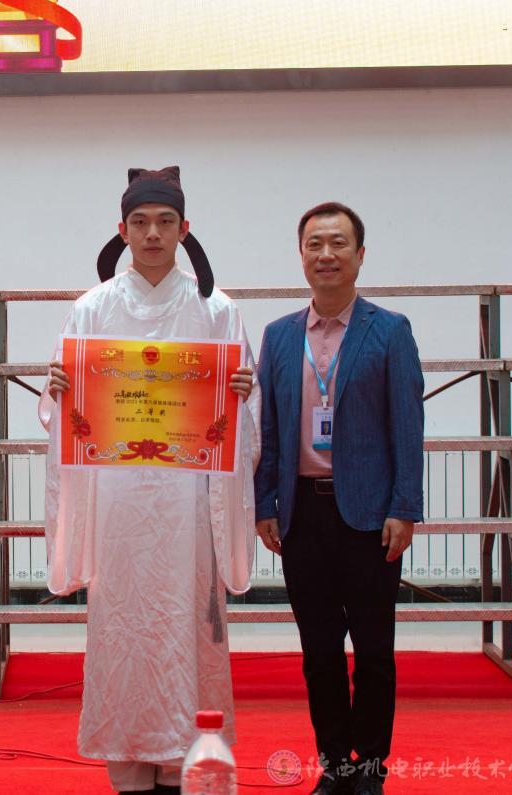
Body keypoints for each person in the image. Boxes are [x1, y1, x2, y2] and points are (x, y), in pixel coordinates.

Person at [41, 167, 259, 795]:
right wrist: (58, 391)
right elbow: (62, 415)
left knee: (185, 626)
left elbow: (244, 417)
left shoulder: (217, 310)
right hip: (117, 503)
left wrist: (242, 392)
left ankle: (181, 763)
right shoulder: (92, 309)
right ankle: (129, 763)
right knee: (122, 626)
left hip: (188, 505)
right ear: (123, 230)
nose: (153, 233)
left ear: (185, 229)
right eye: (141, 223)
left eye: (165, 222)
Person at [254, 203, 423, 795]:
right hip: (301, 515)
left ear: (360, 255)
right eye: (314, 244)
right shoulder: (278, 337)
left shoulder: (389, 330)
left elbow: (407, 426)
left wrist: (405, 507)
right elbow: (269, 430)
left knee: (374, 650)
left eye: (338, 243)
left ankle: (370, 767)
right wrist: (264, 503)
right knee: (319, 651)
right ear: (301, 255)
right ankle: (335, 763)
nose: (326, 254)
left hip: (370, 516)